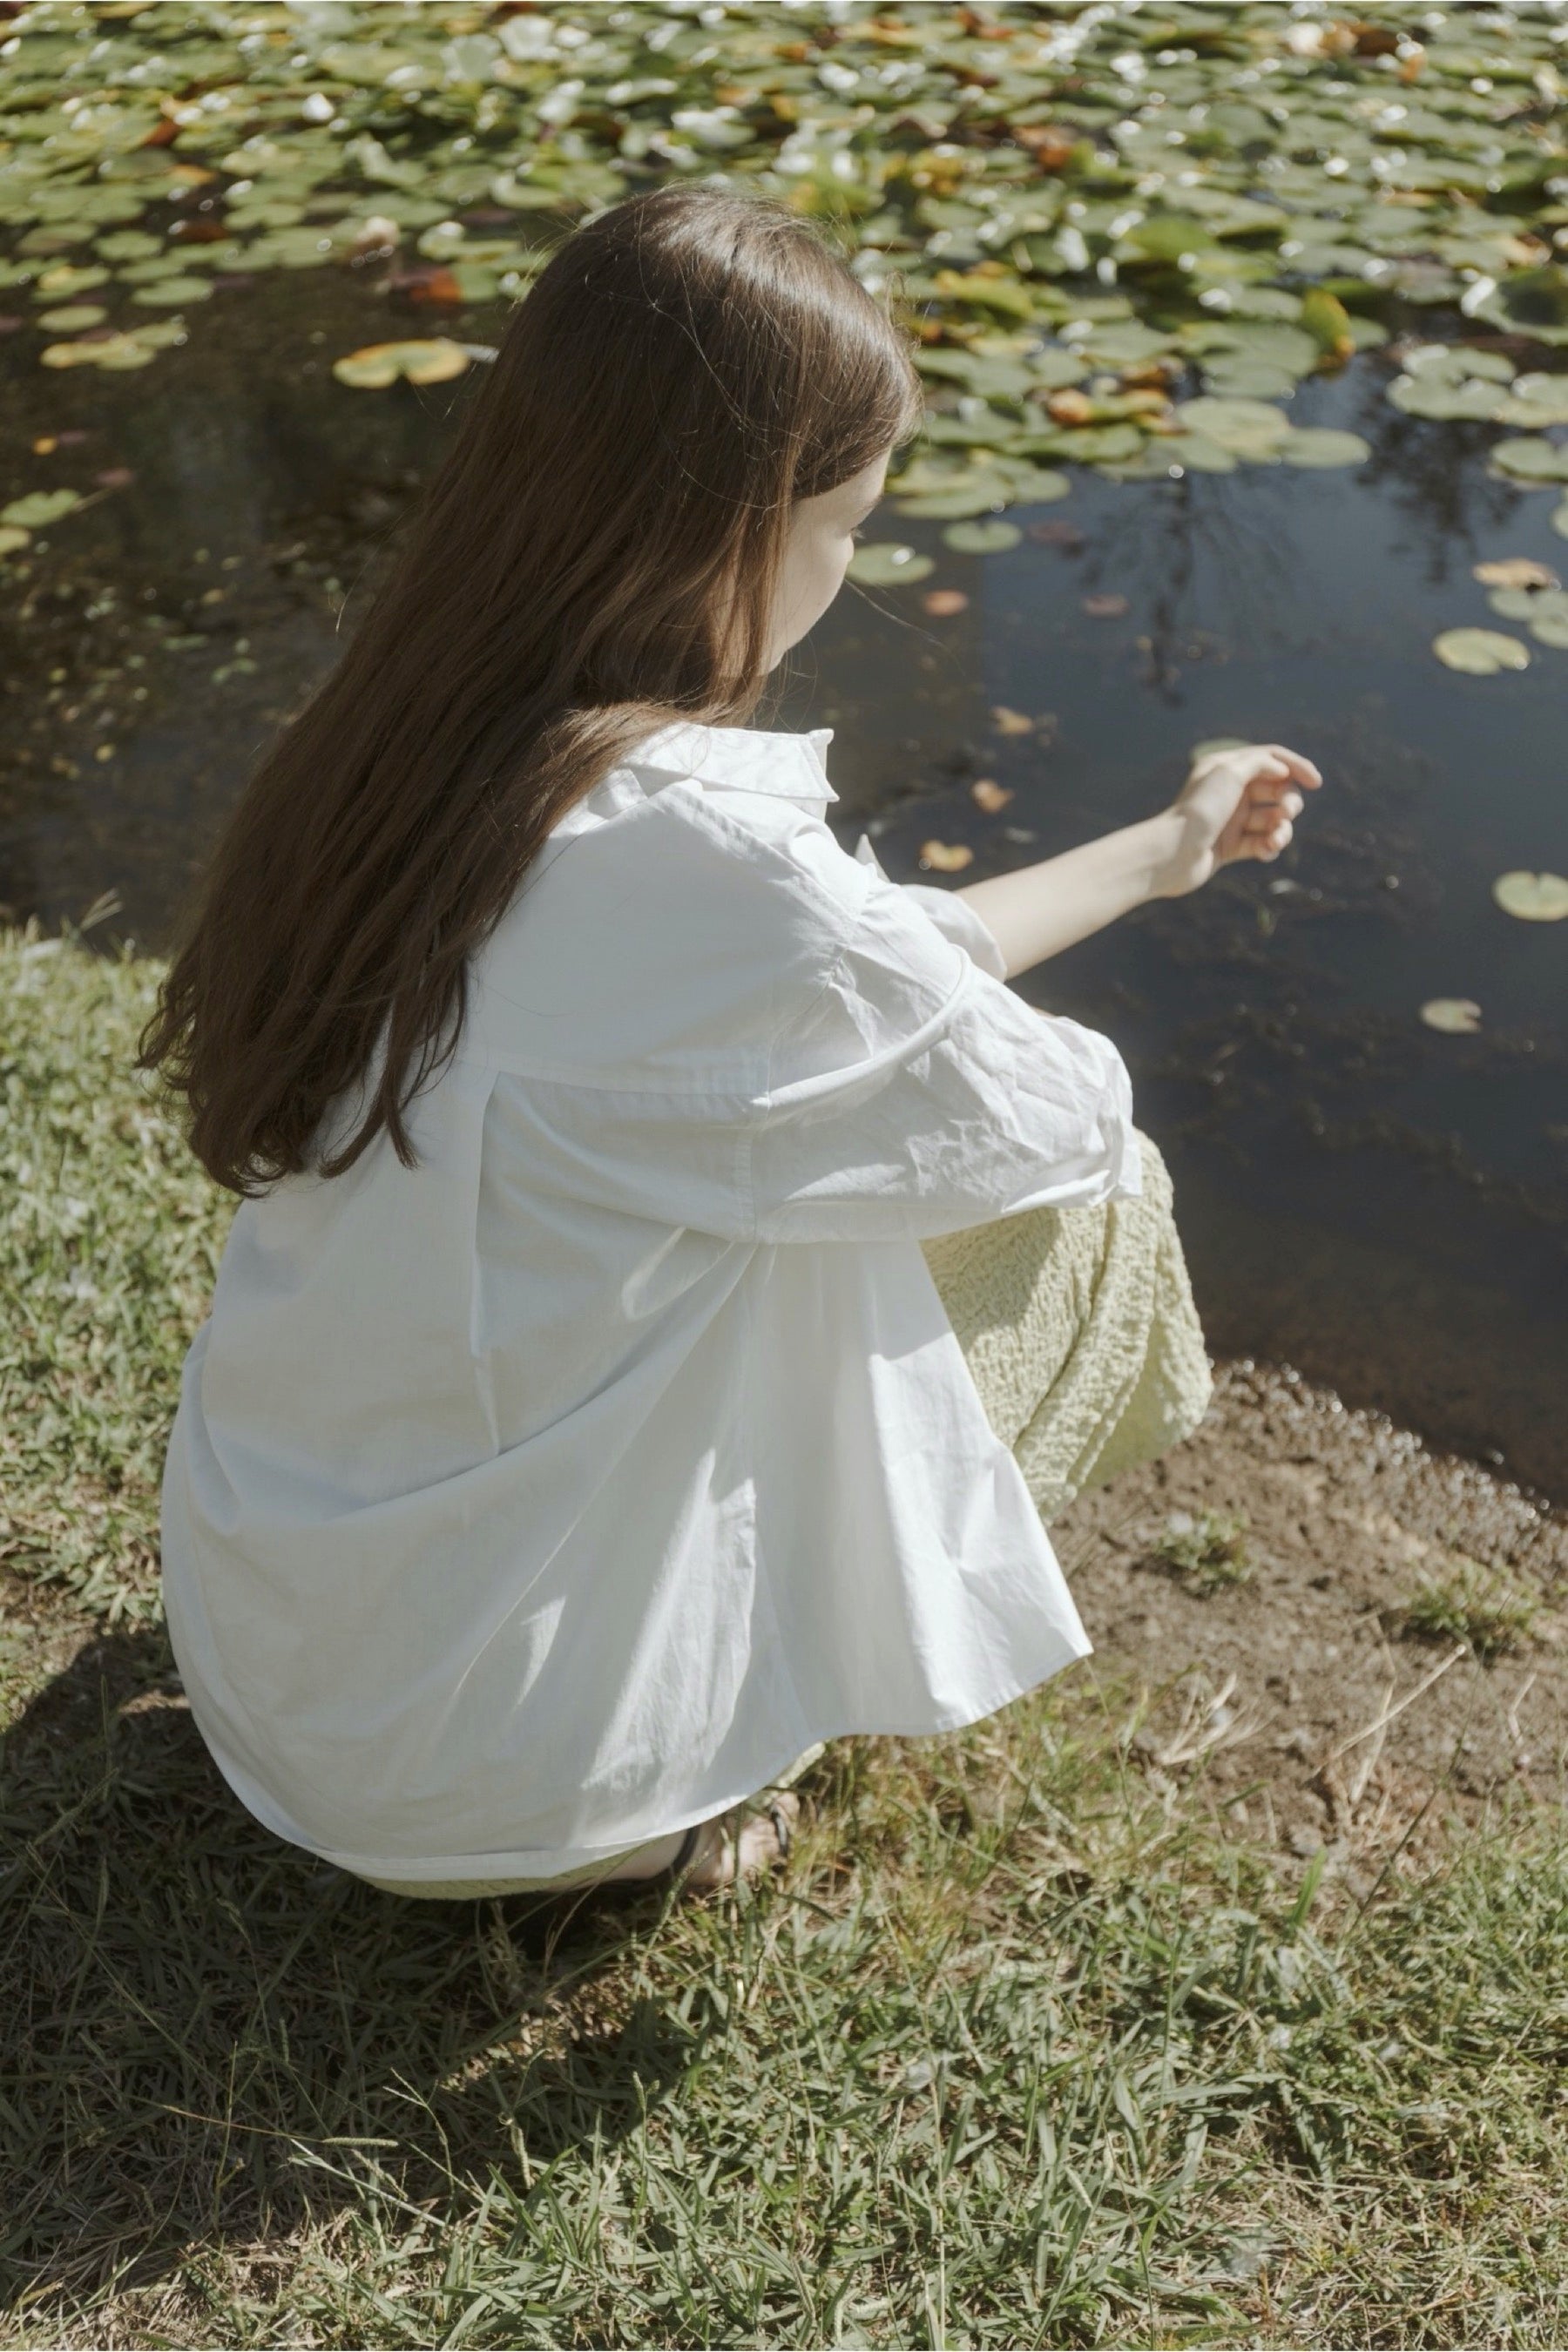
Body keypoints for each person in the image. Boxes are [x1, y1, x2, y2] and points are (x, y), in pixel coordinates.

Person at [139, 183, 1320, 1904]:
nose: (851, 571)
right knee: (1090, 1189)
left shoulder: (416, 741)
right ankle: (671, 1808)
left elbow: (834, 984)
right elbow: (1037, 1113)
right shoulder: (723, 883)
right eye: (847, 521)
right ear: (740, 527)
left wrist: (1162, 850)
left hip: (287, 1660)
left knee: (789, 1156)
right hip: (482, 1782)